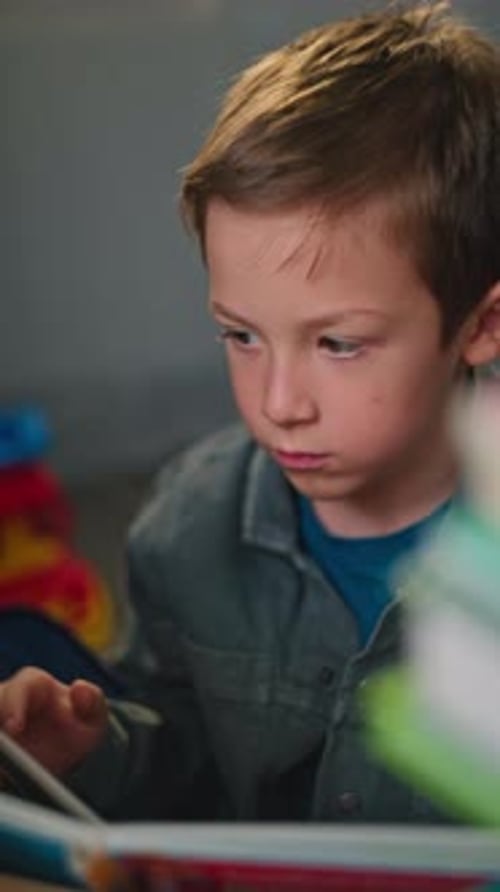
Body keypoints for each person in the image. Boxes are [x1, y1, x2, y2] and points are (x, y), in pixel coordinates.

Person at [2, 1, 500, 824]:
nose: (278, 405)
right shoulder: (186, 528)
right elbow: (191, 769)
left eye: (338, 344)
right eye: (241, 335)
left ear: (480, 326)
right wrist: (92, 754)